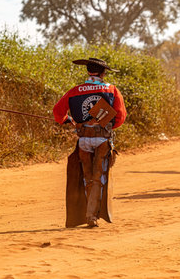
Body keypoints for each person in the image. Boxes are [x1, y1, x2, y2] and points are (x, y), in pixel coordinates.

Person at [53, 57, 127, 228]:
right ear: (103, 73)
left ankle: (89, 212)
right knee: (99, 176)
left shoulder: (74, 91)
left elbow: (58, 112)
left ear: (88, 72)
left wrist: (67, 120)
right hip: (102, 139)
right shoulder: (112, 90)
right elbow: (120, 117)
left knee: (87, 176)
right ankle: (91, 215)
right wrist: (107, 126)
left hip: (83, 140)